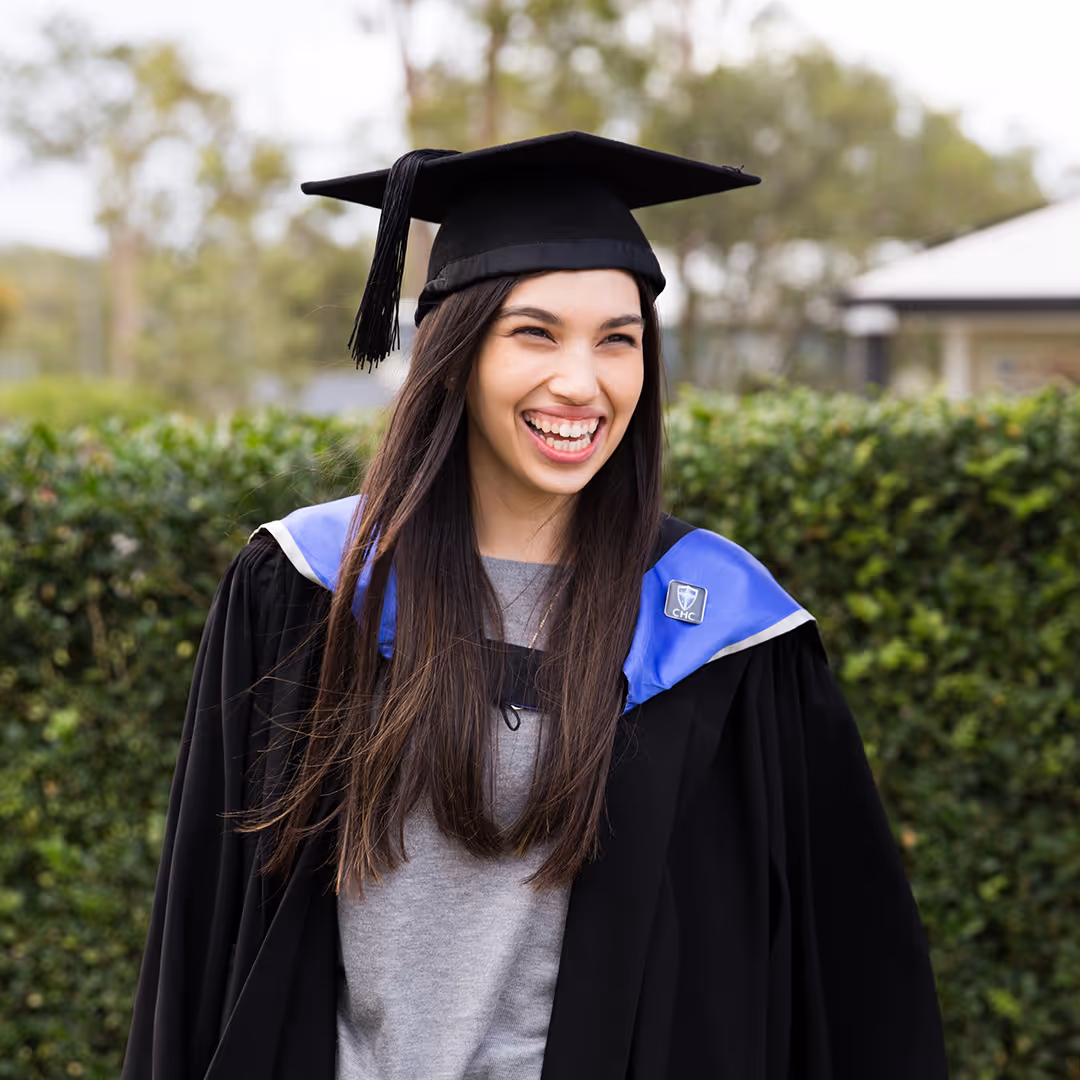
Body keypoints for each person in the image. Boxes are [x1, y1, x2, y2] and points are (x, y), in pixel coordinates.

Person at [122, 132, 949, 1080]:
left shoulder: (722, 631)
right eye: (536, 332)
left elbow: (834, 974)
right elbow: (205, 931)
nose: (581, 382)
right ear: (455, 350)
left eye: (618, 340)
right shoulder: (312, 586)